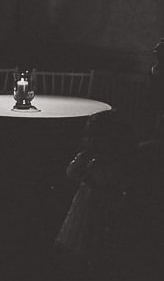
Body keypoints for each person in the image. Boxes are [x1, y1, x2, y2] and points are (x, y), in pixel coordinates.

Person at [55, 110, 138, 268]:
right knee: (79, 240)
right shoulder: (88, 157)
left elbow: (106, 182)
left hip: (101, 208)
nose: (88, 140)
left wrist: (90, 175)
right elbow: (71, 172)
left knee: (96, 239)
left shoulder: (111, 163)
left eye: (93, 136)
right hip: (84, 206)